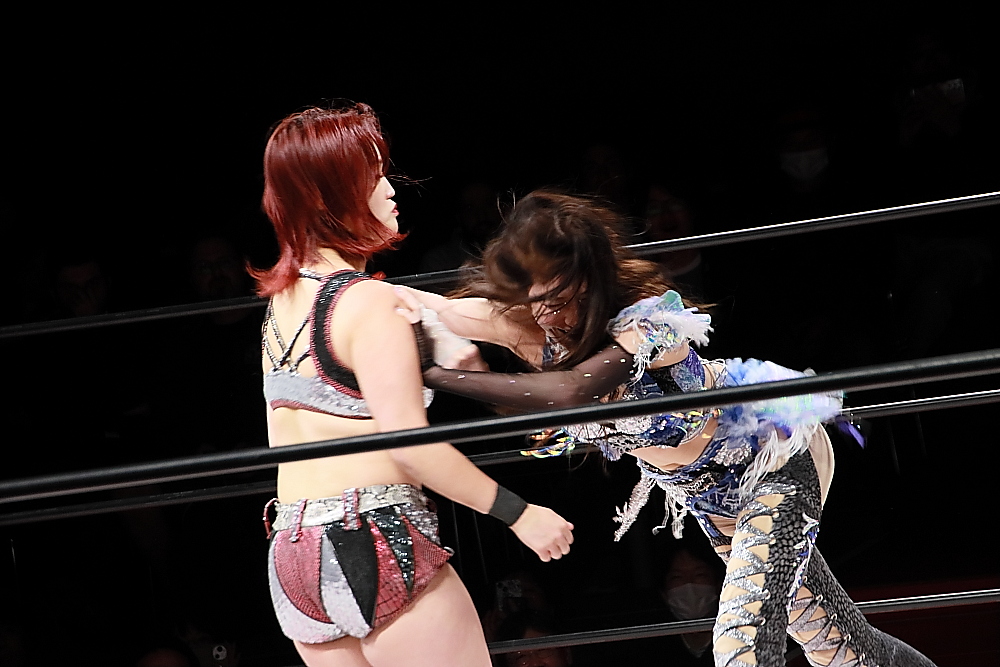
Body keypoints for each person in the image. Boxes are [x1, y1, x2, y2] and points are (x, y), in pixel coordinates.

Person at [396, 191, 935, 666]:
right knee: (835, 644)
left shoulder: (650, 322)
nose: (544, 315)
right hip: (707, 494)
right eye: (532, 297)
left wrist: (438, 376)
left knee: (743, 646)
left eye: (556, 298)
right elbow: (420, 304)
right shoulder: (530, 323)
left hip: (771, 462)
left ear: (589, 279)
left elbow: (572, 391)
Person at [253, 106, 574, 667]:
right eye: (373, 176)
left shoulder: (283, 304)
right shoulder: (367, 302)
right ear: (335, 194)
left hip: (293, 552)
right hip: (372, 534)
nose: (390, 189)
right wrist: (519, 513)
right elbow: (408, 442)